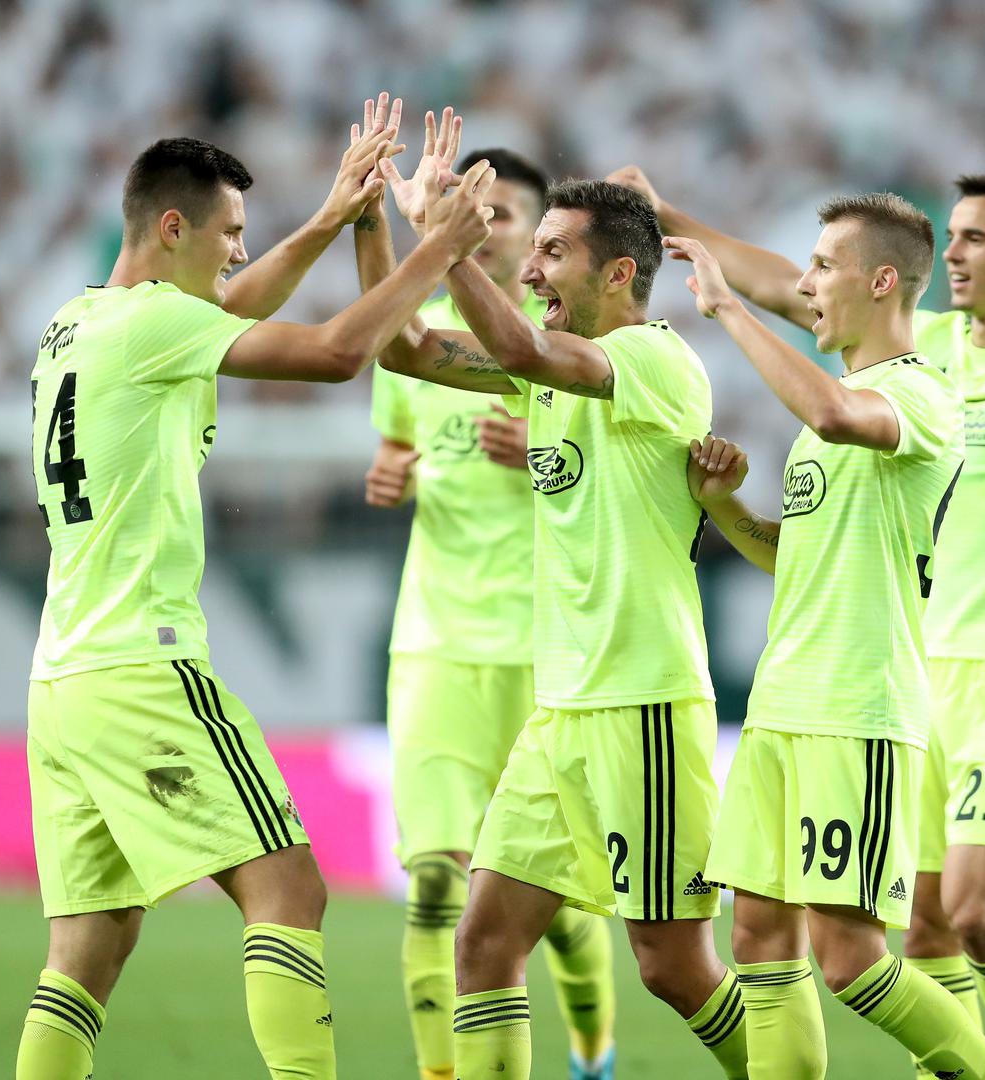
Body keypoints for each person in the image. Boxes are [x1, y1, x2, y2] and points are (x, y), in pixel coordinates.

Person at [612, 160, 985, 1079]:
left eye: (976, 236)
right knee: (817, 931)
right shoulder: (917, 349)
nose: (957, 250)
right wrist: (661, 216)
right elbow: (791, 291)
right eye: (951, 235)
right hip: (860, 680)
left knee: (952, 922)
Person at [18, 96, 494, 1080]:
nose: (240, 252)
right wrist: (438, 251)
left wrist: (328, 220)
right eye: (229, 233)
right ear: (172, 228)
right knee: (289, 887)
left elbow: (229, 309)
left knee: (88, 948)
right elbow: (338, 353)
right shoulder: (154, 325)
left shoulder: (76, 322)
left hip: (63, 680)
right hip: (144, 665)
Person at [357, 152, 748, 1080]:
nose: (528, 270)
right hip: (560, 709)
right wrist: (378, 224)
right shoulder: (545, 368)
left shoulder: (654, 361)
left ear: (618, 274)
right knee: (484, 942)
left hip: (642, 704)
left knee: (672, 966)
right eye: (528, 250)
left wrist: (446, 241)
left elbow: (529, 352)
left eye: (551, 253)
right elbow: (404, 350)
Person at [665, 193, 985, 1078]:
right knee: (756, 938)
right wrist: (723, 509)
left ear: (882, 280)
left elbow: (831, 413)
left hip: (856, 706)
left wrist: (728, 307)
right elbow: (793, 555)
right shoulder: (830, 417)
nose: (807, 284)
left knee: (851, 959)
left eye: (823, 265)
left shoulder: (922, 395)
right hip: (781, 706)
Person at [360, 109, 615, 1080]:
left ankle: (593, 1053)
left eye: (507, 213)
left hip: (549, 657)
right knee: (435, 884)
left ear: (545, 241)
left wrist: (549, 460)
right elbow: (399, 431)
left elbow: (635, 489)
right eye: (474, 205)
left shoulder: (574, 352)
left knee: (556, 907)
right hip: (436, 646)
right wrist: (394, 474)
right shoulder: (426, 341)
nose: (489, 223)